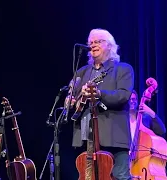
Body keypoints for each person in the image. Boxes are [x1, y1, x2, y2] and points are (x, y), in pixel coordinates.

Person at [66, 28, 134, 180]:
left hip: (113, 135)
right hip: (85, 136)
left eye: (98, 41)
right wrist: (72, 101)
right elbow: (68, 100)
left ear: (110, 46)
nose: (93, 44)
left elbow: (123, 95)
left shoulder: (123, 69)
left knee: (120, 176)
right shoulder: (82, 72)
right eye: (90, 42)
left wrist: (99, 94)